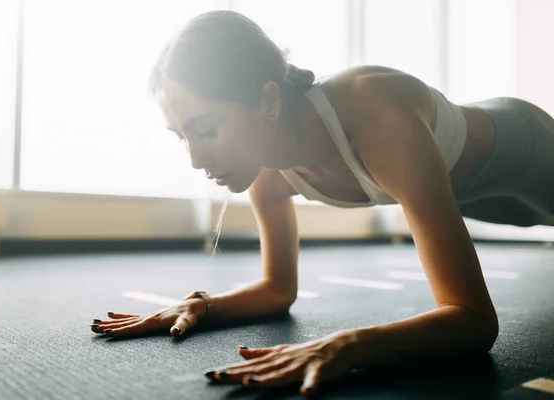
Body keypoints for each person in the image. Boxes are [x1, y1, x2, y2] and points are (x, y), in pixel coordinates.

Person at [89, 10, 554, 396]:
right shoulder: (267, 178)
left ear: (268, 99)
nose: (196, 159)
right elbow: (277, 289)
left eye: (207, 129)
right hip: (466, 195)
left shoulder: (374, 113)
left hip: (528, 153)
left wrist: (346, 345)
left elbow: (473, 320)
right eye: (182, 137)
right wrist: (205, 306)